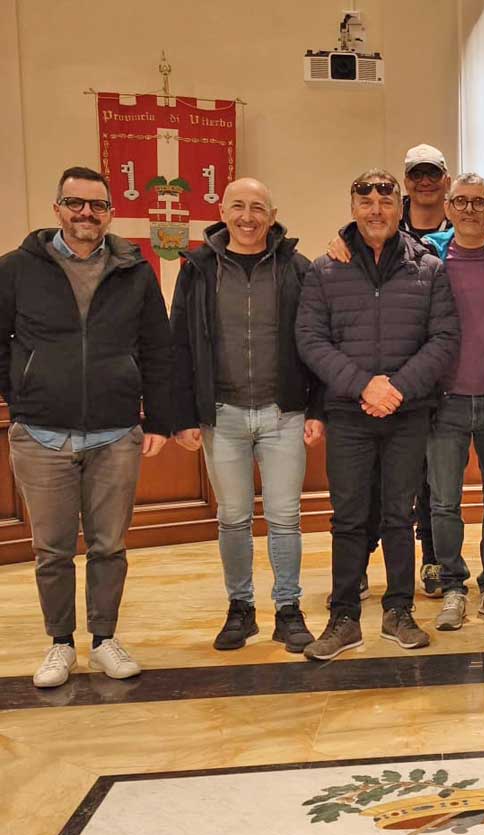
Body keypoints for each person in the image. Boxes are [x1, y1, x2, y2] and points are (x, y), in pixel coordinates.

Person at [0, 166, 172, 687]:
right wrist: (20, 399)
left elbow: (157, 348)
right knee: (51, 550)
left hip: (114, 434)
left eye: (97, 205)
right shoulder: (16, 268)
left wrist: (158, 419)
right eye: (75, 203)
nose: (86, 213)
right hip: (40, 435)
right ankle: (60, 644)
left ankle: (103, 641)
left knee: (108, 547)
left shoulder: (134, 270)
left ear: (109, 213)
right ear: (57, 208)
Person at [296, 168, 459, 660]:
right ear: (353, 208)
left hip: (407, 412)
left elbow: (444, 338)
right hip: (349, 412)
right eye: (365, 202)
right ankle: (344, 618)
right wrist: (363, 384)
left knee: (398, 516)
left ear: (399, 207)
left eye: (385, 203)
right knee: (348, 518)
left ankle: (399, 611)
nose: (375, 211)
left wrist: (397, 388)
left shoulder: (428, 269)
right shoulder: (325, 269)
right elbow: (310, 339)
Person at [170, 177, 325, 654]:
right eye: (238, 206)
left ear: (272, 216)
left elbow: (317, 339)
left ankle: (288, 609)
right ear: (222, 211)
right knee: (233, 519)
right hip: (223, 416)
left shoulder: (296, 268)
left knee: (285, 518)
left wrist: (317, 408)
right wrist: (183, 414)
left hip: (283, 414)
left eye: (258, 208)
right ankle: (240, 609)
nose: (247, 216)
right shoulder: (198, 270)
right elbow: (179, 345)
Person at [421, 173, 484, 631]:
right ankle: (454, 587)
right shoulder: (428, 258)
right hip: (445, 403)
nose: (468, 209)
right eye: (460, 201)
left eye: (478, 202)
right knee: (444, 503)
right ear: (447, 207)